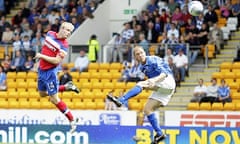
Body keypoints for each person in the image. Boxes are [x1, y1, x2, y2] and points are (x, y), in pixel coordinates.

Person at [107, 46, 176, 143]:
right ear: (135, 57)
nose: (140, 55)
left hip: (167, 81)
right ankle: (160, 134)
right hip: (163, 89)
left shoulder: (152, 59)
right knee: (147, 109)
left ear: (145, 52)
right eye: (137, 54)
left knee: (141, 84)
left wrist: (153, 81)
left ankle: (121, 100)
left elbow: (164, 73)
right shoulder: (142, 67)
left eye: (142, 53)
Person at [33, 22, 78, 133]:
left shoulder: (64, 45)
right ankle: (66, 87)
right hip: (41, 70)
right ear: (61, 28)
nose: (68, 33)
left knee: (54, 99)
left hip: (50, 73)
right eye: (67, 30)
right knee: (42, 94)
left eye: (70, 32)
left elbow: (57, 61)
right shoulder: (50, 34)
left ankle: (72, 120)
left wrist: (41, 56)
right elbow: (46, 48)